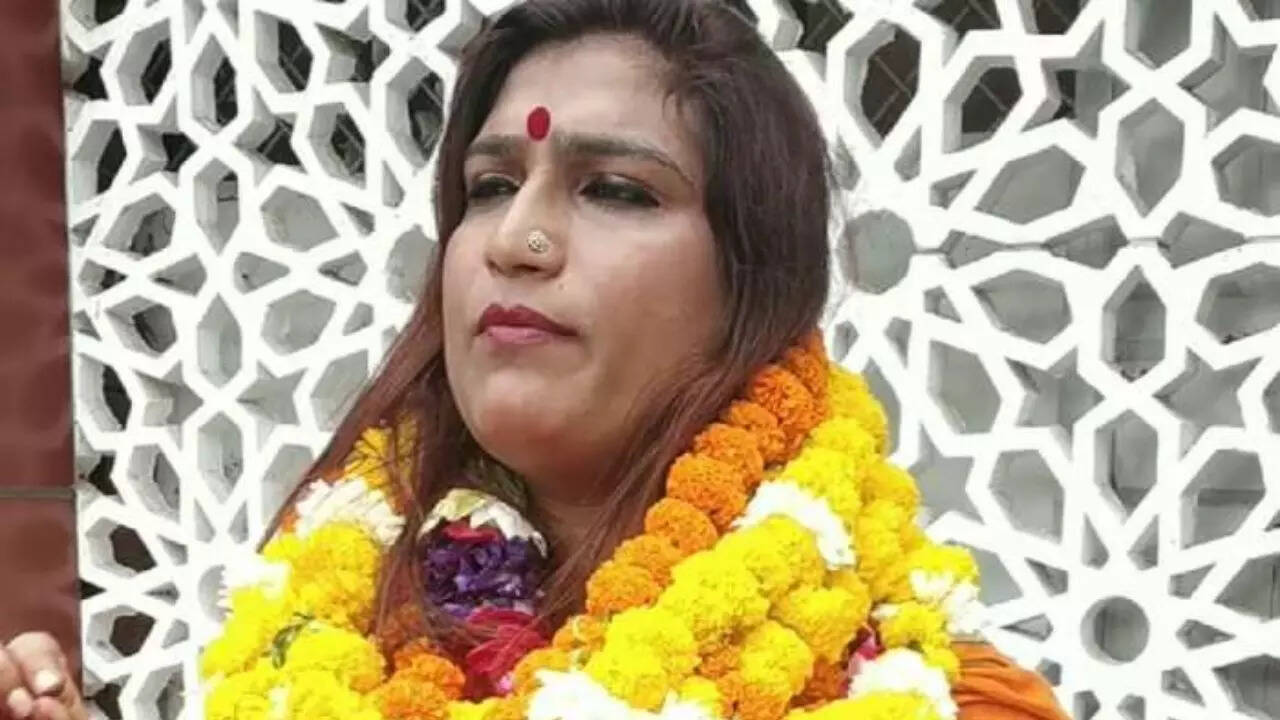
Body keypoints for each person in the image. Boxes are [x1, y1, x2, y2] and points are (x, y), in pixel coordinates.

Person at [1, 1, 1068, 718]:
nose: (516, 239)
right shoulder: (322, 630)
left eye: (616, 190)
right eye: (491, 186)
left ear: (754, 277)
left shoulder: (934, 694)